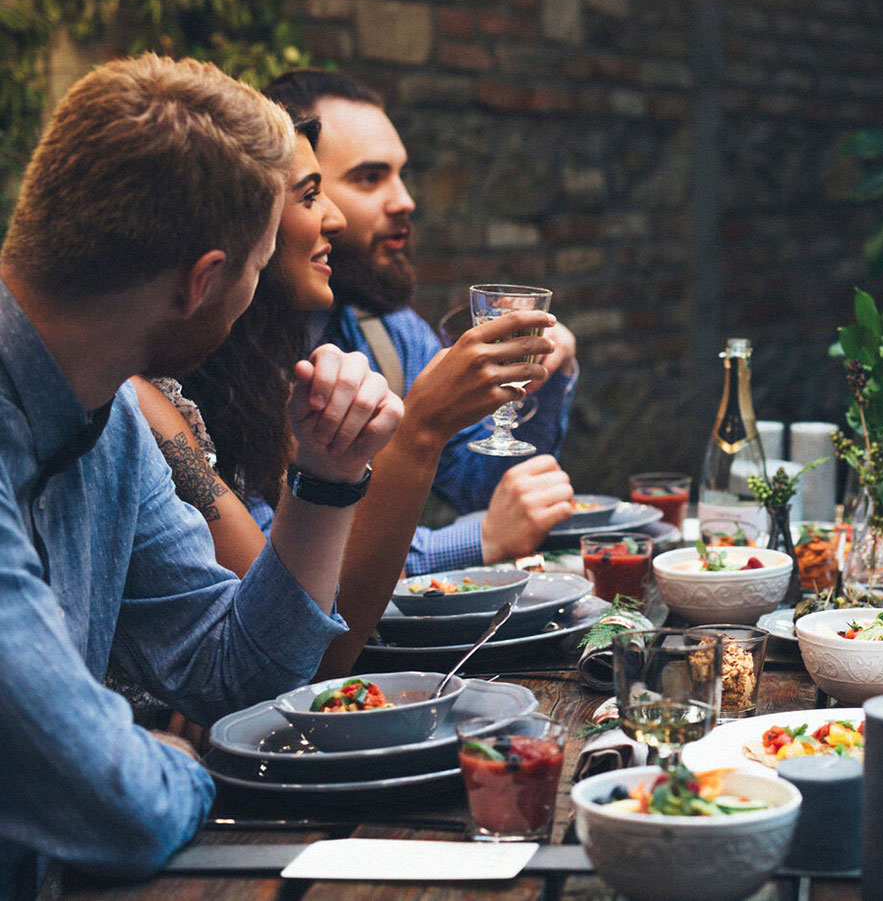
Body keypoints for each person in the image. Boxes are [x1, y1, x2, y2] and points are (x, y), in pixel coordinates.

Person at [0, 55, 401, 894]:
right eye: (256, 268)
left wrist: (327, 479)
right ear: (204, 280)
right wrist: (169, 759)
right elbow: (116, 805)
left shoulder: (106, 417)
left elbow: (230, 673)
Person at [129, 108, 560, 681]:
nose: (331, 217)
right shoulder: (149, 398)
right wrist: (417, 431)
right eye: (313, 194)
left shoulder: (292, 361)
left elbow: (274, 634)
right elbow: (293, 645)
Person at [262, 68, 580, 574]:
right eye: (369, 177)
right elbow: (272, 574)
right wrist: (480, 539)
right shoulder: (226, 358)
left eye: (400, 174)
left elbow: (482, 487)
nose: (405, 200)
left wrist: (542, 377)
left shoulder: (389, 330)